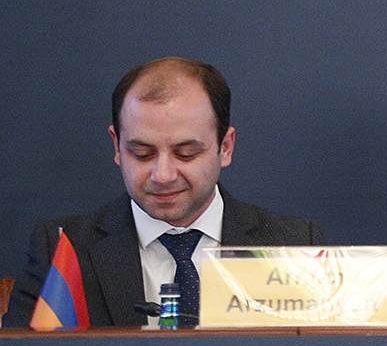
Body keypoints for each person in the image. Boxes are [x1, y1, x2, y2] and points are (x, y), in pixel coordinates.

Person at [5, 57, 323, 328]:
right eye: (142, 154)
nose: (163, 175)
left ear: (225, 147)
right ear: (117, 146)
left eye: (186, 153)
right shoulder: (64, 250)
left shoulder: (294, 247)